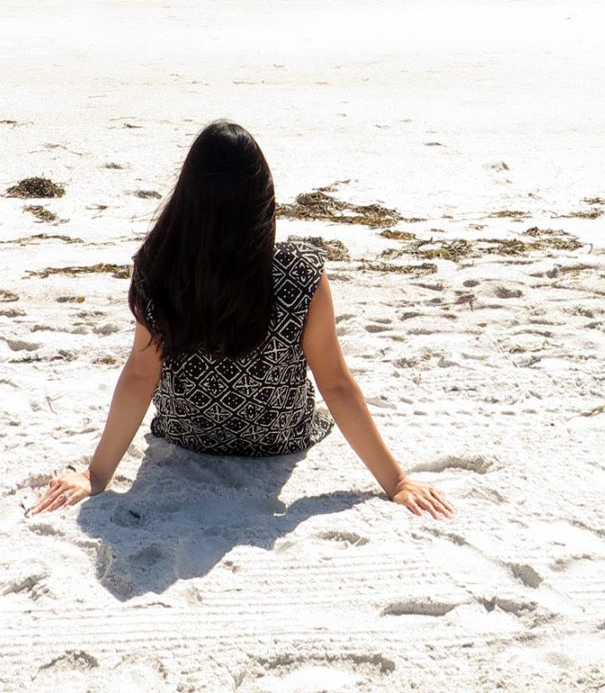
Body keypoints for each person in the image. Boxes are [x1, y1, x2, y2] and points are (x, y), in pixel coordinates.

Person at [28, 120, 453, 519]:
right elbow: (336, 385)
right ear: (262, 199)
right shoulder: (300, 273)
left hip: (186, 433)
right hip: (278, 438)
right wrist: (395, 481)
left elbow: (141, 376)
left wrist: (96, 475)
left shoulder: (158, 268)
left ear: (186, 197)